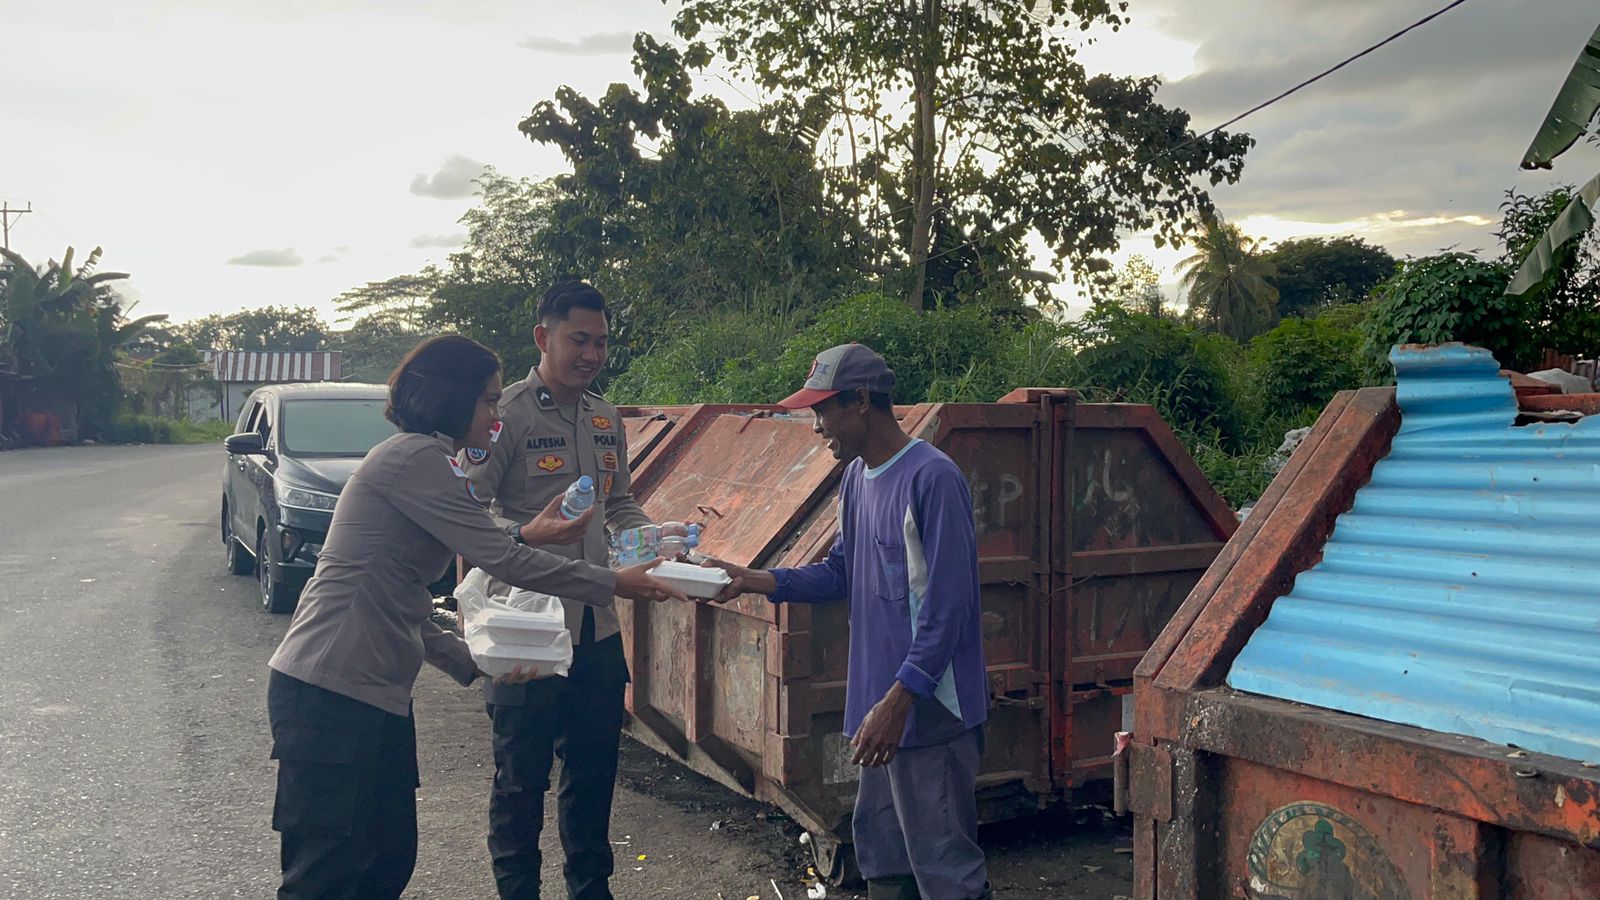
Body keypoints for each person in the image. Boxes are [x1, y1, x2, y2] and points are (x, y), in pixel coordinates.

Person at [265, 335, 683, 900]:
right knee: (328, 873)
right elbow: (504, 556)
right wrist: (613, 582)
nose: (496, 413)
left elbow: (408, 601)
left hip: (372, 695)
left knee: (384, 862)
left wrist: (477, 664)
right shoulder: (414, 460)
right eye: (487, 401)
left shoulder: (428, 460)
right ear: (451, 398)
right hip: (330, 689)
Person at [703, 343, 992, 900]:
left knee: (945, 867)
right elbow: (842, 573)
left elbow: (948, 612)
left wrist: (897, 703)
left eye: (822, 411)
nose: (816, 427)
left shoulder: (933, 479)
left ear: (860, 401)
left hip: (929, 712)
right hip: (880, 714)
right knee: (884, 859)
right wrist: (753, 578)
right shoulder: (858, 478)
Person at [457, 281, 656, 900]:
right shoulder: (504, 414)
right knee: (521, 782)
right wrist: (525, 531)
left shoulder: (606, 418)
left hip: (596, 628)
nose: (592, 353)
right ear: (543, 338)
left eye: (600, 342)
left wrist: (658, 541)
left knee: (593, 777)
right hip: (527, 631)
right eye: (579, 340)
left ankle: (590, 890)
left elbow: (618, 504)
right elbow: (465, 510)